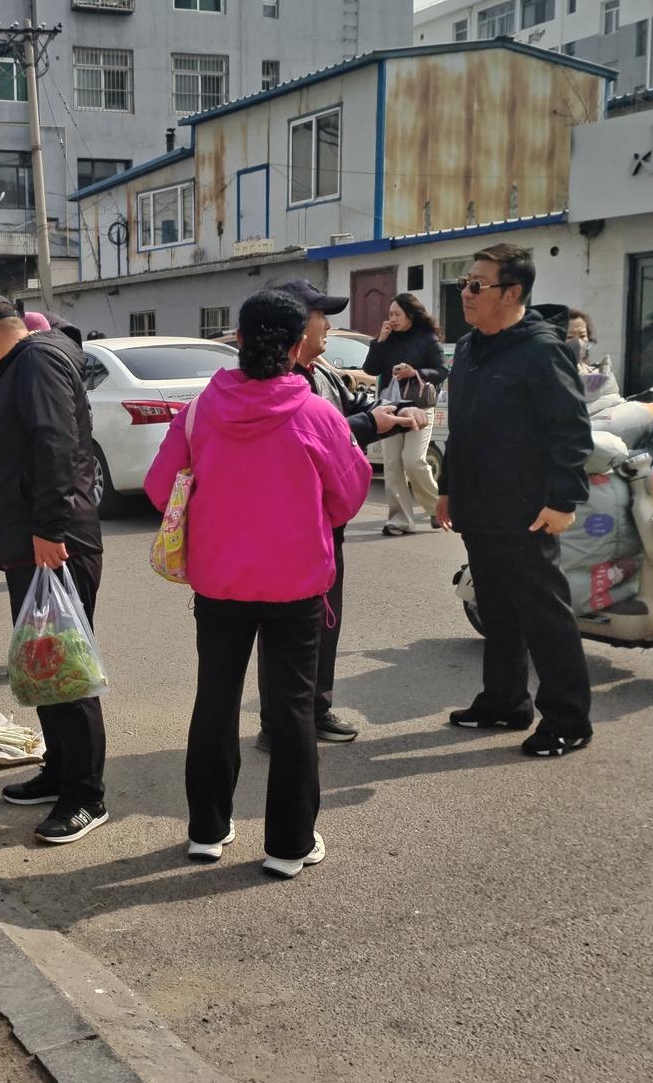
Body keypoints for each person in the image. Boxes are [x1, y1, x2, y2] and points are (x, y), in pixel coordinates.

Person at [146, 290, 373, 876]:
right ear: (300, 347)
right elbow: (348, 496)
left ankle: (206, 831)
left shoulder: (201, 410)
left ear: (238, 339)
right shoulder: (317, 414)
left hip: (219, 583)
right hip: (296, 586)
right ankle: (289, 846)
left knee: (215, 702)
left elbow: (158, 486)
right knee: (293, 710)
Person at [0, 293, 106, 845]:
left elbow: (57, 447)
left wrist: (47, 529)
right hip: (35, 543)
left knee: (66, 666)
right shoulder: (29, 363)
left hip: (55, 543)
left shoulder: (36, 362)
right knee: (44, 661)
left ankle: (85, 794)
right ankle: (59, 769)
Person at [437, 243, 594, 758]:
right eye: (464, 282)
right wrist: (448, 490)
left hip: (527, 510)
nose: (467, 292)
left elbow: (570, 430)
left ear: (513, 292)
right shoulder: (469, 348)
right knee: (497, 610)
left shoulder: (542, 350)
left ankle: (568, 719)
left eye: (478, 284)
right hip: (479, 507)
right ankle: (505, 702)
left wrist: (563, 499)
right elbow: (461, 428)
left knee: (543, 615)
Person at [255, 278, 424, 747]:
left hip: (329, 524)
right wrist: (371, 423)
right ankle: (279, 723)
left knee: (326, 620)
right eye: (319, 315)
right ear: (292, 323)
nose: (328, 325)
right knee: (286, 630)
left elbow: (352, 416)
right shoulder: (273, 378)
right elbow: (303, 437)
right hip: (289, 528)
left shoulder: (324, 372)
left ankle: (315, 708)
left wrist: (394, 413)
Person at [364, 293, 448, 536]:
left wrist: (415, 372)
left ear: (411, 315)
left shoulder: (427, 339)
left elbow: (442, 370)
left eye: (397, 314)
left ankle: (436, 507)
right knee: (392, 465)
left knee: (413, 461)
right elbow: (370, 368)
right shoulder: (388, 339)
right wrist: (380, 340)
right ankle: (399, 520)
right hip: (391, 407)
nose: (392, 319)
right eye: (390, 314)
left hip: (420, 408)